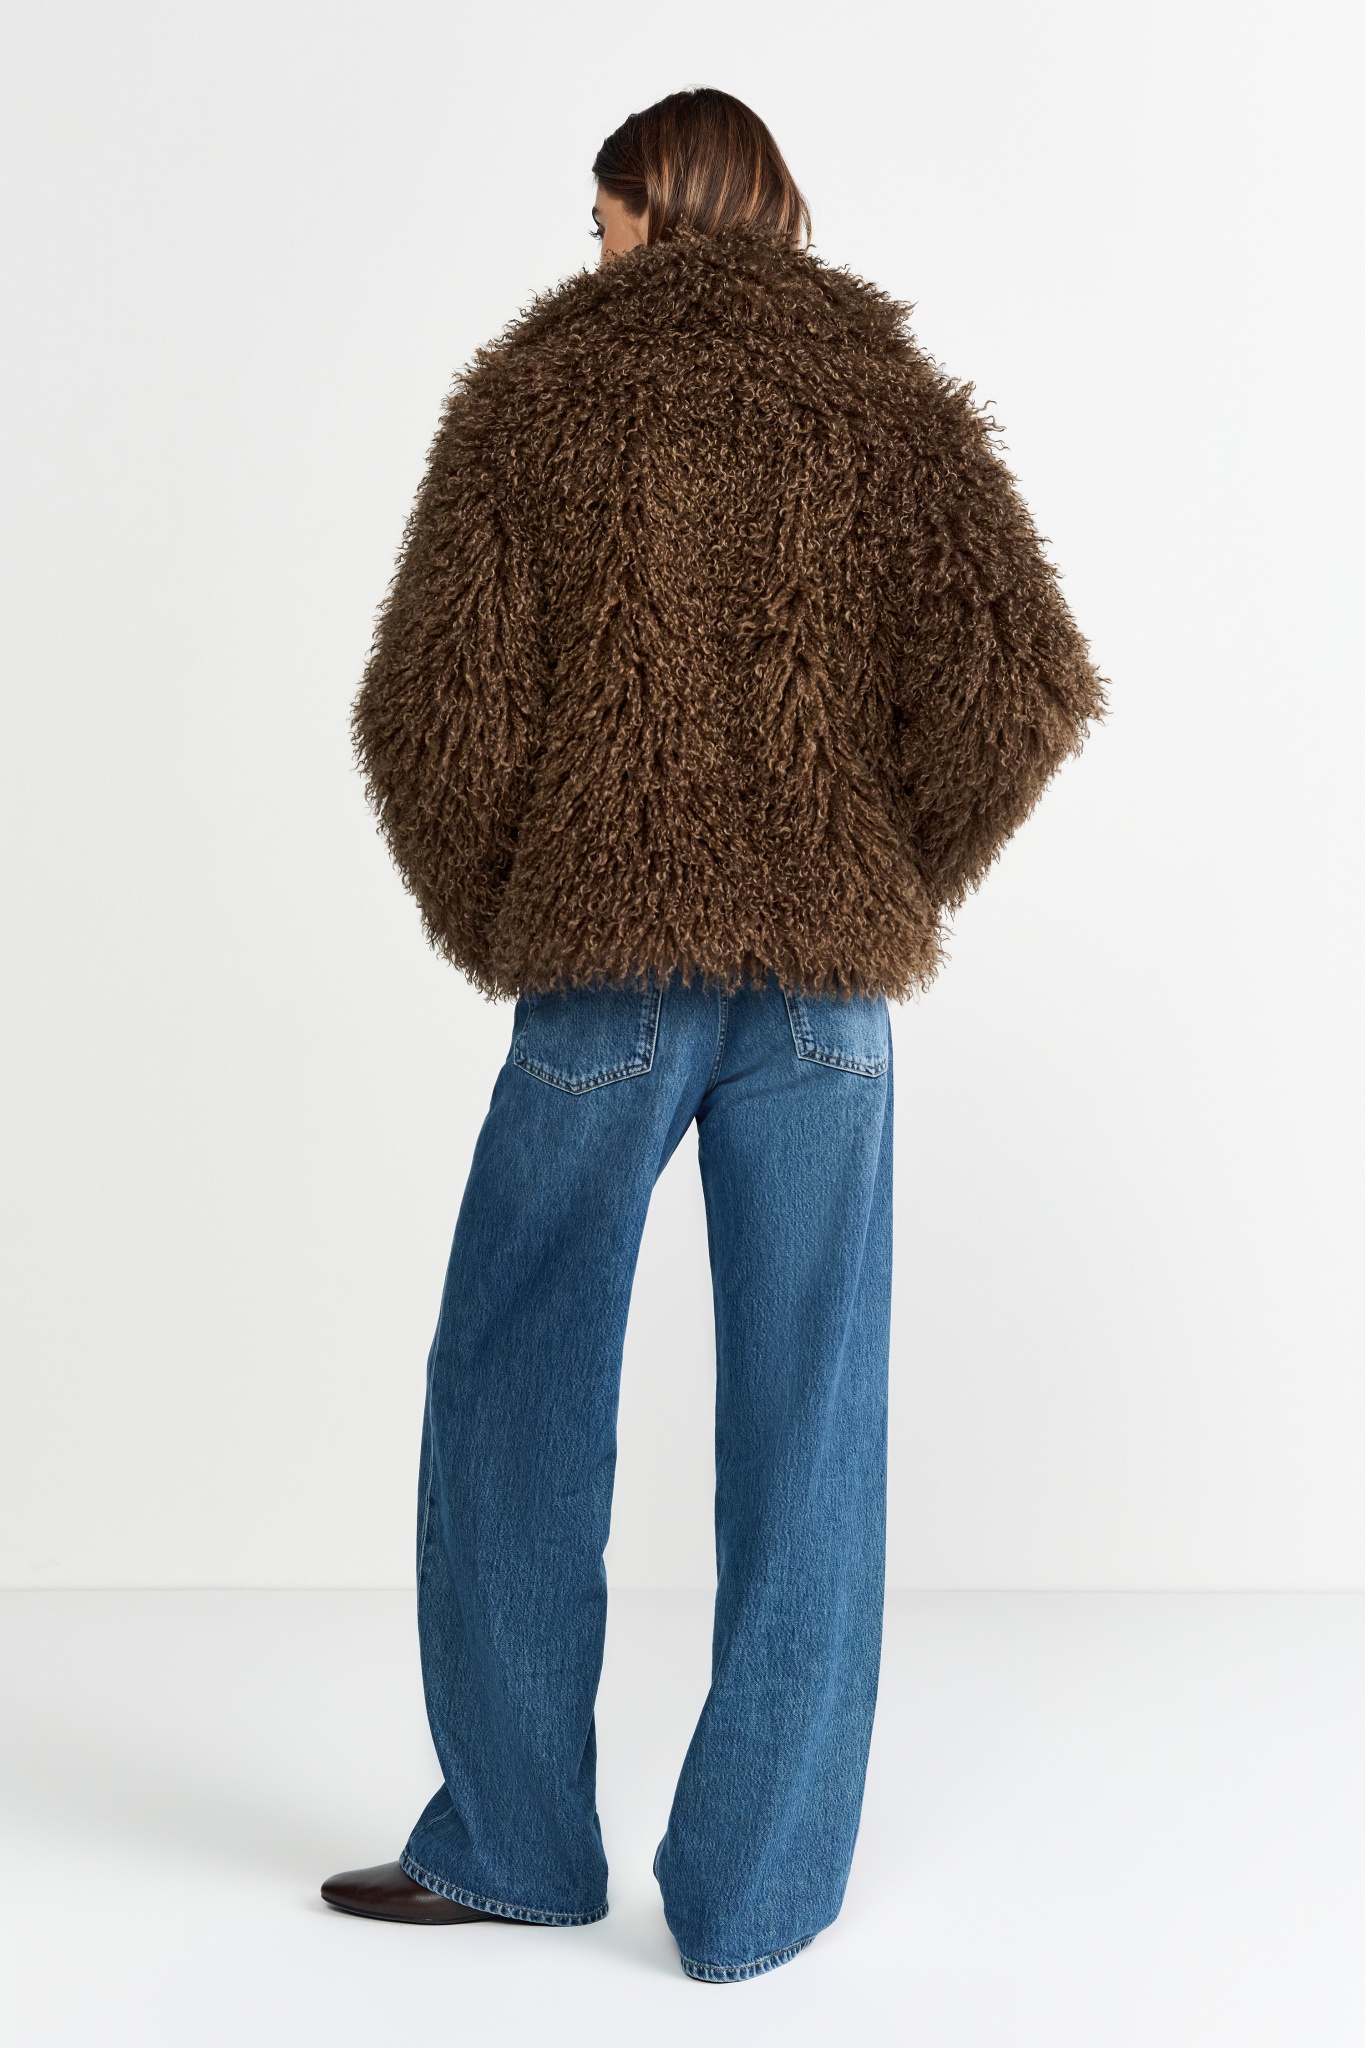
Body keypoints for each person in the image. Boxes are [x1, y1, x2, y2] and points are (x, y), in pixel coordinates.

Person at [322, 86, 1106, 1984]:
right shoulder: (883, 398)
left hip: (606, 964)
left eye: (597, 215)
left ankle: (515, 1845)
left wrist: (508, 910)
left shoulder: (540, 395)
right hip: (828, 991)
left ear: (650, 209)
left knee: (513, 1384)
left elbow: (428, 712)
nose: (587, 248)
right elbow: (1019, 682)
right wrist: (874, 878)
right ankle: (757, 1901)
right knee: (811, 1422)